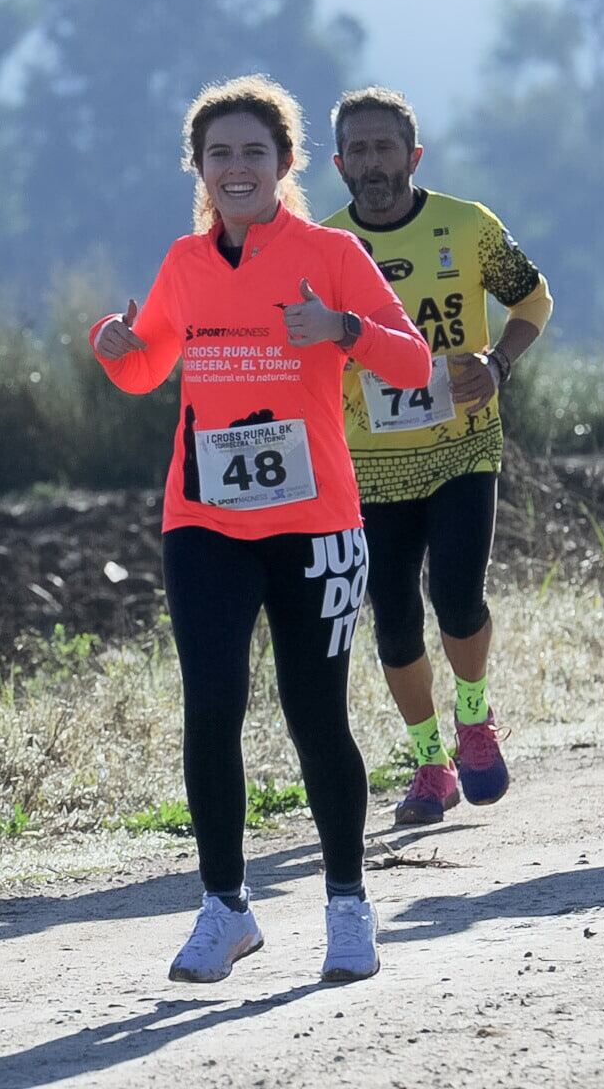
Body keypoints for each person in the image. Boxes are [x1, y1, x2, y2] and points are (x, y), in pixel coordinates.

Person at [92, 74, 431, 985]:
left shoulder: (330, 253)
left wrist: (341, 325)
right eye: (219, 155)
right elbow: (148, 367)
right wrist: (115, 349)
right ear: (198, 170)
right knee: (212, 711)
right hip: (202, 521)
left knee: (316, 715)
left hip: (314, 524)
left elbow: (412, 360)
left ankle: (348, 904)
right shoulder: (184, 262)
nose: (235, 168)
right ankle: (224, 908)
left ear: (285, 164)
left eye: (253, 152)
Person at [324, 88, 553, 826]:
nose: (372, 162)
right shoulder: (323, 246)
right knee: (393, 624)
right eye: (357, 149)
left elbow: (535, 300)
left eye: (384, 147)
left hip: (463, 446)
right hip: (370, 463)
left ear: (413, 156)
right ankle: (430, 764)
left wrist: (498, 362)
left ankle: (476, 720)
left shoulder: (467, 225)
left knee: (457, 598)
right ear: (337, 164)